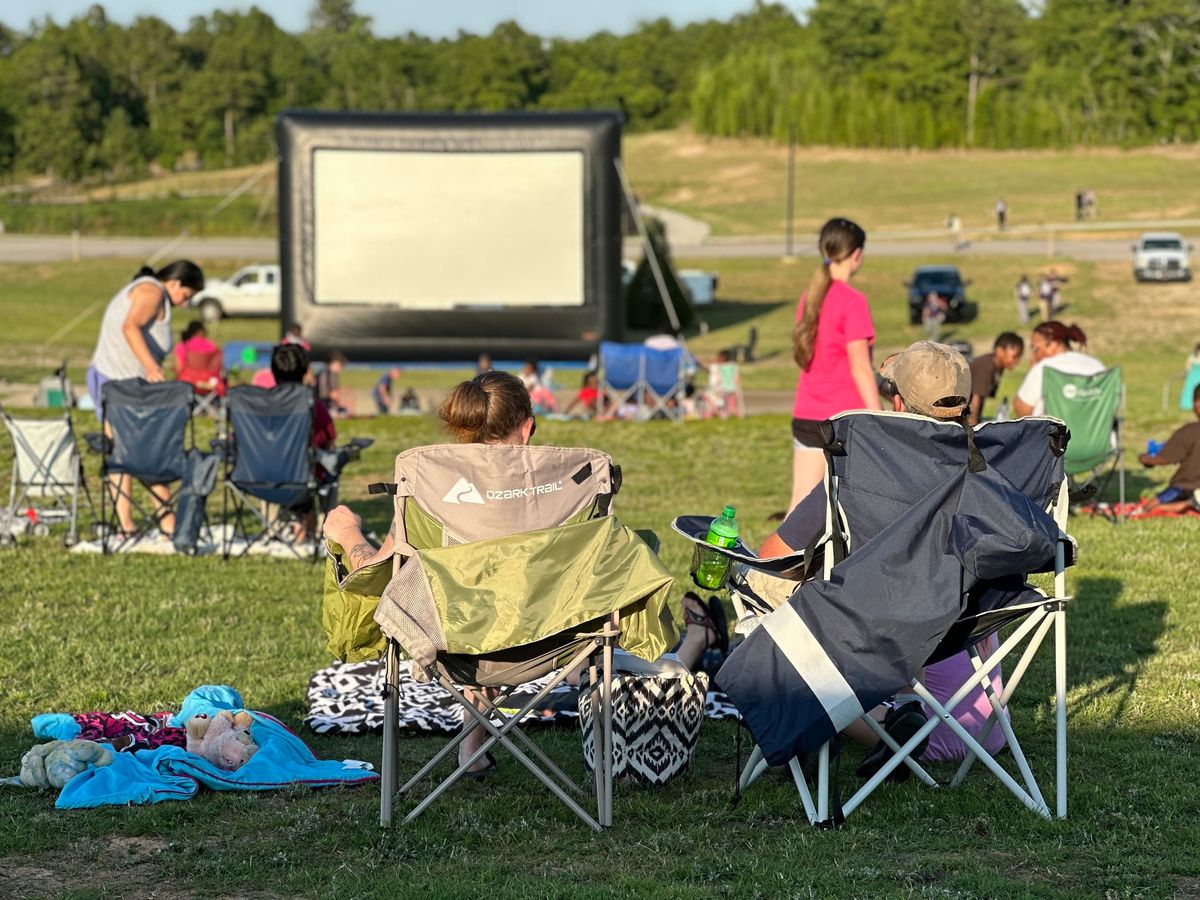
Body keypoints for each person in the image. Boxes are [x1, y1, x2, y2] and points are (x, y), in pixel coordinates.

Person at [323, 371, 718, 776]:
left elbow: (376, 575)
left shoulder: (429, 485)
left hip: (454, 645)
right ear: (527, 427)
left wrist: (347, 532)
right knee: (503, 601)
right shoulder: (571, 486)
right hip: (554, 643)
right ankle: (472, 749)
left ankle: (471, 749)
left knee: (478, 603)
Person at [761, 340, 1004, 776]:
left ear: (896, 403)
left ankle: (871, 724)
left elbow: (773, 557)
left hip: (920, 729)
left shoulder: (862, 472)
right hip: (985, 728)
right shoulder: (996, 470)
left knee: (766, 599)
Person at [87, 260, 205, 536]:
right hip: (116, 386)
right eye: (186, 296)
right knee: (132, 452)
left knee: (139, 451)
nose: (185, 304)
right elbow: (131, 327)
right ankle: (133, 525)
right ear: (174, 283)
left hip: (129, 387)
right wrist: (152, 366)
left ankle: (163, 523)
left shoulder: (150, 291)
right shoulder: (152, 293)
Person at [789, 217, 880, 511]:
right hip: (841, 422)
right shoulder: (853, 301)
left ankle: (774, 558)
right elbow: (860, 367)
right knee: (856, 509)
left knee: (798, 510)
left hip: (806, 417)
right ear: (856, 254)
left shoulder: (810, 297)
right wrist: (879, 419)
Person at [1012, 321, 1104, 417]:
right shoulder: (1098, 367)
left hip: (1052, 431)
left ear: (1054, 345)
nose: (1033, 355)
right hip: (1095, 431)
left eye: (1035, 349)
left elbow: (1022, 409)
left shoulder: (1044, 369)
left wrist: (1031, 371)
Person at [1137, 385, 1200, 513]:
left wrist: (1145, 459)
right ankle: (1192, 503)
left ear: (1197, 404)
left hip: (1185, 486)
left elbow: (1164, 459)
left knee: (1148, 507)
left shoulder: (1190, 431)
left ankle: (1188, 504)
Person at [968, 333, 1025, 426]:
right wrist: (973, 426)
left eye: (1019, 357)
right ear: (1000, 350)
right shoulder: (986, 365)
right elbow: (975, 398)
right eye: (1014, 356)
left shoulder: (997, 368)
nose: (1017, 361)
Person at [317, 351, 349, 417]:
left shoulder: (323, 372)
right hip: (324, 406)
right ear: (334, 363)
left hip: (321, 405)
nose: (341, 369)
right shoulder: (330, 374)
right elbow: (333, 394)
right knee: (343, 411)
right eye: (340, 365)